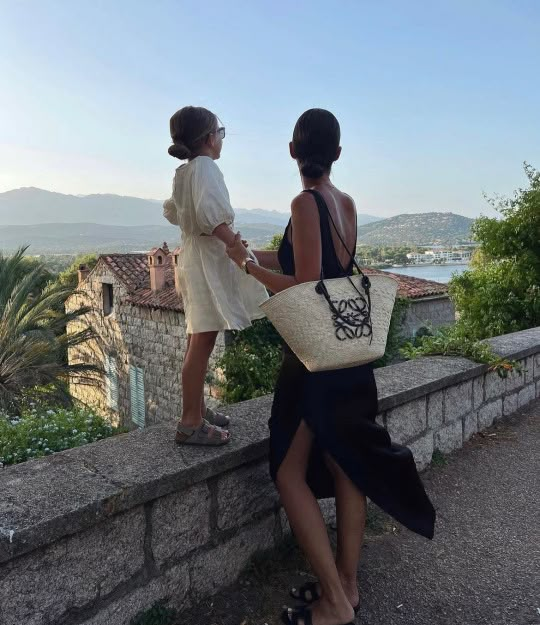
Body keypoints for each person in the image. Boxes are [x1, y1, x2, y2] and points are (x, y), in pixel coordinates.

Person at [226, 109, 436, 625]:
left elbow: (307, 281)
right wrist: (251, 255)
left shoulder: (303, 201)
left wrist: (249, 270)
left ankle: (335, 607)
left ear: (292, 151)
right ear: (337, 154)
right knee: (346, 464)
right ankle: (347, 585)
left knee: (288, 471)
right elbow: (320, 265)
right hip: (350, 357)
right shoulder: (346, 203)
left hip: (312, 363)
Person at [163, 106, 268, 446]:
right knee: (203, 339)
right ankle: (190, 422)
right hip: (207, 259)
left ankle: (198, 408)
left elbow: (177, 213)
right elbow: (211, 215)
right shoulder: (206, 167)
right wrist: (234, 244)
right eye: (220, 133)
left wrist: (226, 238)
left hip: (194, 255)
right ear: (210, 138)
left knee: (198, 338)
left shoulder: (186, 171)